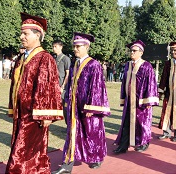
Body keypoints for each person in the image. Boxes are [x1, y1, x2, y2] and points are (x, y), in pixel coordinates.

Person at [6, 12, 63, 174]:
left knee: (25, 154)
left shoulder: (44, 58)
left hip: (34, 116)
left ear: (37, 35)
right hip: (21, 114)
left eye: (25, 33)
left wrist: (46, 115)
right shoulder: (21, 58)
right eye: (21, 33)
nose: (21, 36)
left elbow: (49, 87)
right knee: (22, 152)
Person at [52, 32, 110, 174]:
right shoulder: (74, 64)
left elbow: (97, 87)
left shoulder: (93, 64)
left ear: (86, 47)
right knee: (72, 134)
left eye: (78, 46)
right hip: (74, 107)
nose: (75, 49)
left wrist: (92, 107)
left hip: (88, 107)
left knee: (92, 133)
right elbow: (71, 84)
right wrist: (67, 101)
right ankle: (67, 164)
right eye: (74, 46)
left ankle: (96, 157)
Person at [113, 40, 159, 154]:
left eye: (134, 51)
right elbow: (124, 82)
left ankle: (143, 143)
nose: (132, 52)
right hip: (130, 101)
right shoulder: (128, 65)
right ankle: (123, 146)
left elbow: (151, 84)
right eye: (131, 50)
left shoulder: (146, 66)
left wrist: (149, 102)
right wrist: (123, 98)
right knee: (126, 124)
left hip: (141, 101)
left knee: (142, 123)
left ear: (141, 52)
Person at [52, 40, 71, 124]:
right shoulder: (54, 58)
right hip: (55, 85)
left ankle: (69, 125)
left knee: (65, 107)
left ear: (61, 47)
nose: (54, 48)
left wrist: (63, 86)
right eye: (53, 46)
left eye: (55, 46)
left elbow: (68, 73)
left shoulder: (65, 59)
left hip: (63, 87)